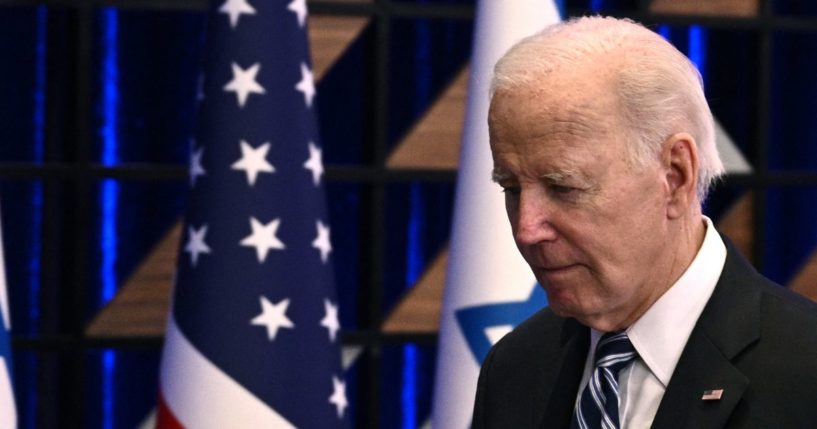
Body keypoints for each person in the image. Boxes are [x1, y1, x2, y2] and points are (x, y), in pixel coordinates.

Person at [471, 16, 817, 429]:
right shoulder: (515, 367)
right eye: (511, 189)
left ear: (675, 175)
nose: (527, 229)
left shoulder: (805, 374)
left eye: (564, 187)